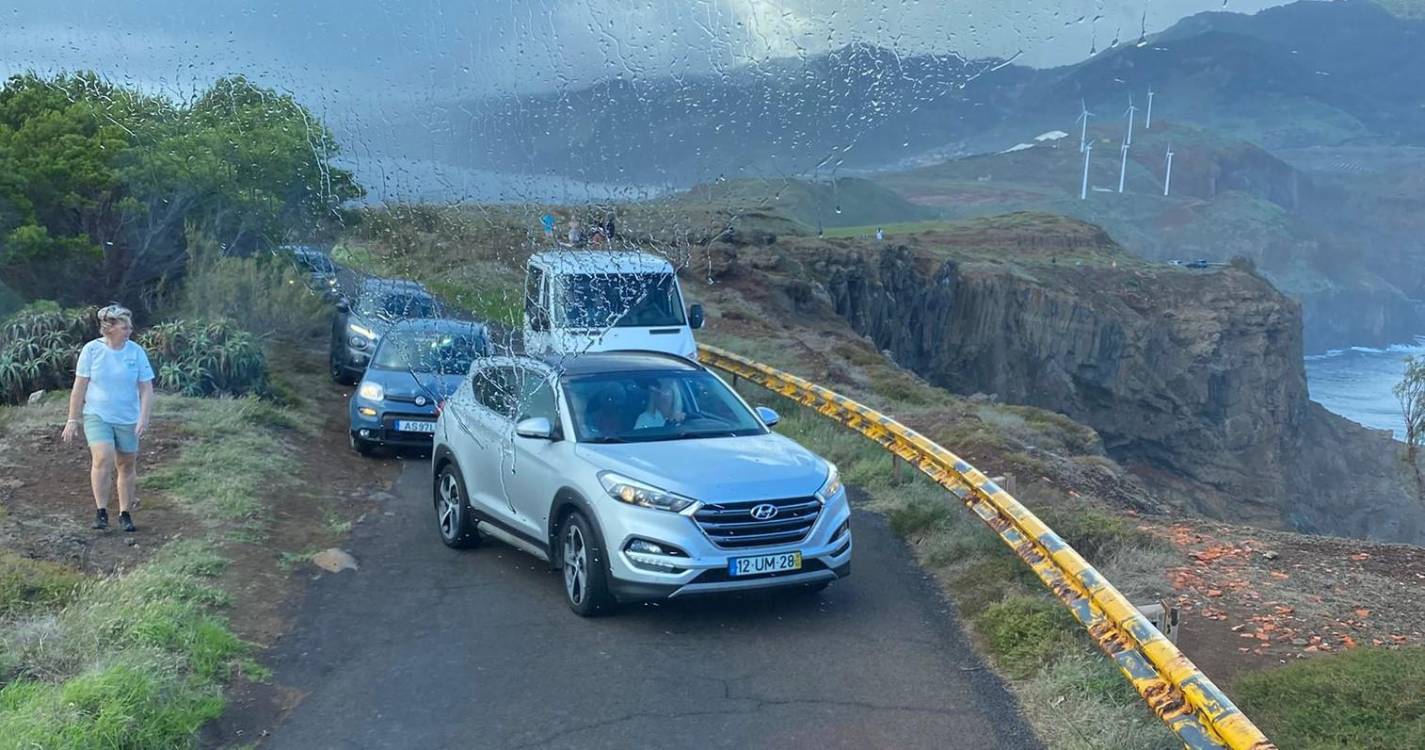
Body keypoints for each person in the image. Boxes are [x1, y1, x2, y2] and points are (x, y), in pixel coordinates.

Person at [61, 304, 155, 532]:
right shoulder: (91, 350)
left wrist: (143, 417)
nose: (129, 330)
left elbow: (146, 388)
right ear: (110, 328)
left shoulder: (136, 352)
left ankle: (125, 513)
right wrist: (73, 419)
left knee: (126, 463)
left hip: (127, 417)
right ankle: (101, 511)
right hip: (97, 414)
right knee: (103, 457)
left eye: (129, 326)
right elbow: (80, 386)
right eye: (124, 327)